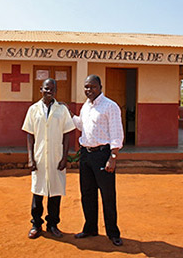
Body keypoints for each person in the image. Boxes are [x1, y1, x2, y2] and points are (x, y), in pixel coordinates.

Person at [69, 74, 124, 246]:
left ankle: (113, 232)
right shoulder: (86, 106)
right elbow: (81, 126)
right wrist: (69, 114)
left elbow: (116, 134)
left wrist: (112, 157)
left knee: (107, 195)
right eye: (86, 87)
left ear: (100, 87)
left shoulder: (110, 106)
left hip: (103, 155)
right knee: (87, 193)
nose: (89, 90)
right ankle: (90, 228)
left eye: (92, 87)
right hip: (85, 155)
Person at [21, 78, 75, 239]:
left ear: (56, 91)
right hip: (39, 157)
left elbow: (67, 135)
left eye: (52, 89)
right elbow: (30, 135)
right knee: (38, 192)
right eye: (46, 88)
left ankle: (53, 224)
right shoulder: (33, 109)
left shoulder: (62, 110)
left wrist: (65, 157)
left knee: (55, 193)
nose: (49, 91)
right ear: (41, 89)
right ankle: (36, 224)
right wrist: (31, 158)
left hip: (56, 157)